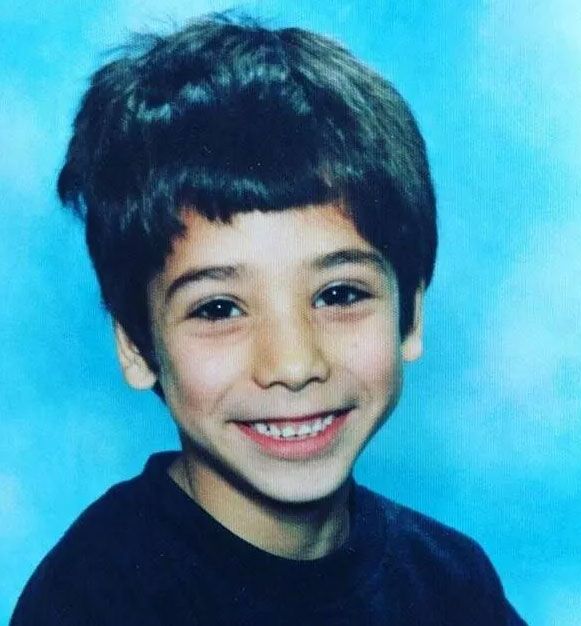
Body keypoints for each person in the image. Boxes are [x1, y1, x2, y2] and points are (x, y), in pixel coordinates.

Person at [11, 13, 527, 626]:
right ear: (135, 344)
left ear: (410, 315)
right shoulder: (93, 599)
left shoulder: (452, 583)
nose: (293, 364)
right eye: (219, 308)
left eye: (338, 295)